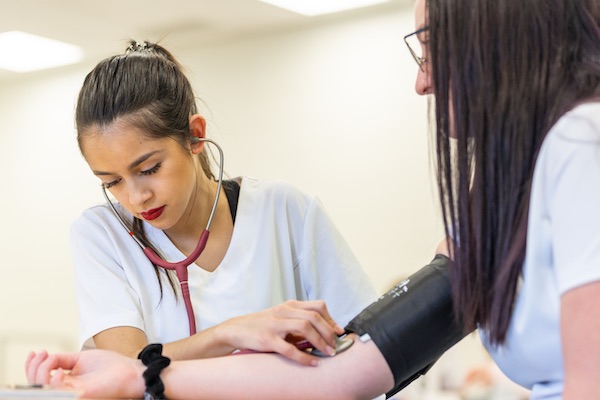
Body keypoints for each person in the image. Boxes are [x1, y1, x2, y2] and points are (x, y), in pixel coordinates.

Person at [26, 0, 600, 399]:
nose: (420, 82)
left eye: (427, 48)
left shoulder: (580, 146)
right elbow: (344, 375)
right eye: (111, 181)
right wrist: (143, 379)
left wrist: (145, 375)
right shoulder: (506, 185)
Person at [67, 40, 378, 366]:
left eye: (149, 169)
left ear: (195, 136)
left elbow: (367, 339)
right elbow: (124, 369)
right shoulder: (101, 234)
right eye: (111, 182)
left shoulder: (283, 210)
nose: (136, 197)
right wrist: (230, 334)